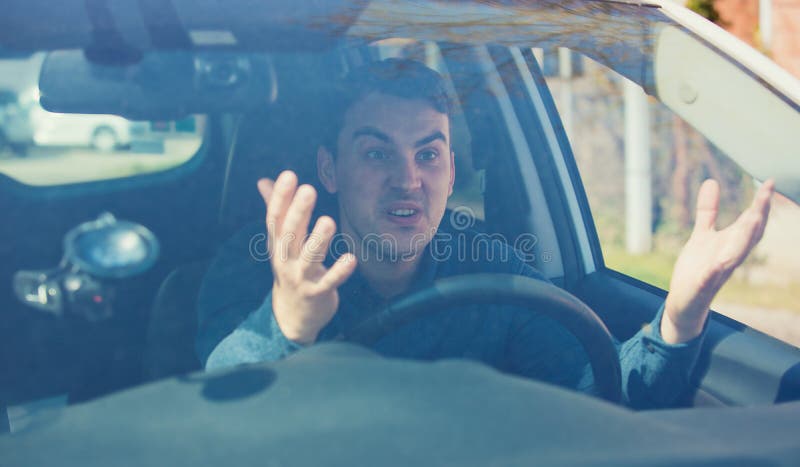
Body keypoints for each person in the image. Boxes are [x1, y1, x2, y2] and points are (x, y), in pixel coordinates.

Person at [196, 59, 774, 409]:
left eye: (429, 154)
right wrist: (290, 326)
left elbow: (597, 400)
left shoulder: (490, 270)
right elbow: (215, 421)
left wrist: (682, 314)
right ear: (330, 170)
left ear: (451, 171)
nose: (408, 180)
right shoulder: (259, 267)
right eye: (377, 153)